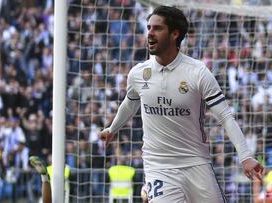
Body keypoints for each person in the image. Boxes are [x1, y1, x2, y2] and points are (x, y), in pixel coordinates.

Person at [99, 6, 263, 203]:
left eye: (157, 28)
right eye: (149, 27)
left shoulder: (198, 72)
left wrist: (245, 156)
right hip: (159, 166)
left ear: (175, 34)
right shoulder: (138, 73)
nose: (150, 33)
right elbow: (130, 103)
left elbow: (226, 117)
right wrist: (113, 128)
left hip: (196, 162)